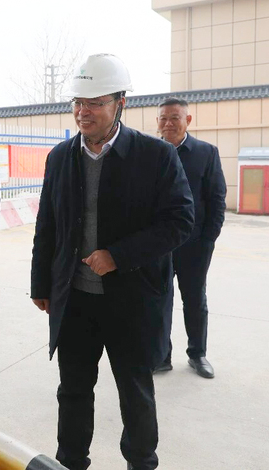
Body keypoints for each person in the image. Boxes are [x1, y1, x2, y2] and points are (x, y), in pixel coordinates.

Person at [30, 54, 194, 470]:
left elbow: (180, 221)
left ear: (121, 103)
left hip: (131, 301)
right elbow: (47, 225)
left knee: (135, 392)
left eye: (95, 103)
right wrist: (41, 284)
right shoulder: (60, 157)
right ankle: (70, 461)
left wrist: (118, 256)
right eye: (78, 102)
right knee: (73, 390)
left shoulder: (155, 156)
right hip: (75, 300)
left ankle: (141, 462)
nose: (83, 112)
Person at [154, 97, 226, 379]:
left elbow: (217, 198)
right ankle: (162, 356)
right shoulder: (149, 152)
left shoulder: (206, 153)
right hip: (158, 245)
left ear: (188, 120)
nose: (168, 123)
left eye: (174, 117)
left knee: (194, 299)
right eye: (163, 118)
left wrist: (208, 239)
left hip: (194, 244)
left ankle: (197, 354)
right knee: (159, 300)